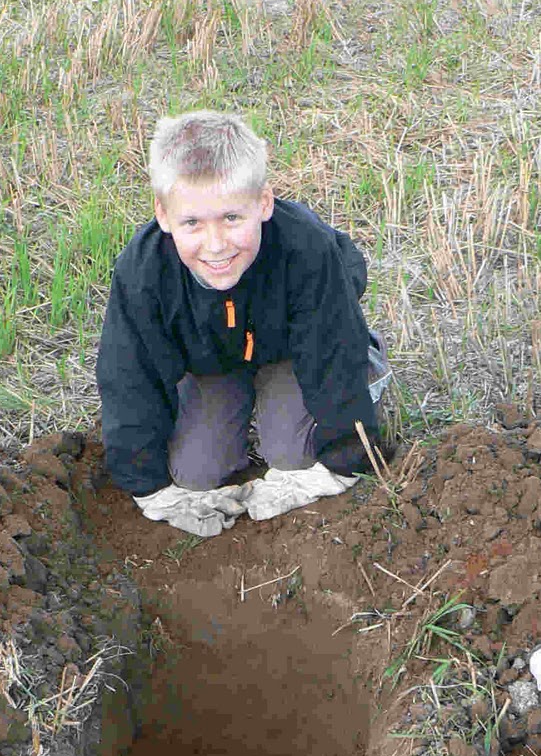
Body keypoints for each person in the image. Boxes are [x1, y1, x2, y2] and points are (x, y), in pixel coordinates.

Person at [96, 110, 389, 538]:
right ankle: (233, 401)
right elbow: (129, 376)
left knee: (292, 454)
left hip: (291, 349)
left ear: (264, 203)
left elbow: (331, 353)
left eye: (232, 218)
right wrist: (150, 490)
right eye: (192, 222)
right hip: (212, 359)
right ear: (163, 215)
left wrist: (344, 463)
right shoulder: (143, 272)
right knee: (195, 472)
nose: (216, 245)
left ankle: (373, 360)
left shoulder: (306, 250)